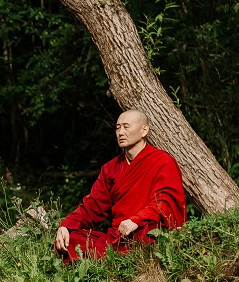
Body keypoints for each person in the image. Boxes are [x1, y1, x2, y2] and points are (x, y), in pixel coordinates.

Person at [53, 110, 186, 262]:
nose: (121, 132)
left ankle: (122, 261)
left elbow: (165, 202)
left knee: (150, 231)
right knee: (71, 240)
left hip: (143, 230)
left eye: (126, 127)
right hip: (118, 237)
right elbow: (93, 205)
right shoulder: (111, 168)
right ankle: (114, 259)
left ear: (144, 130)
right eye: (117, 128)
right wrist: (66, 225)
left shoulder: (163, 161)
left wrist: (137, 220)